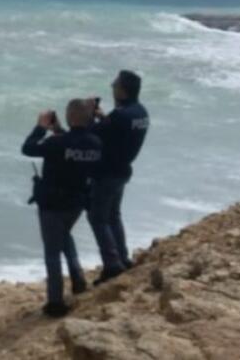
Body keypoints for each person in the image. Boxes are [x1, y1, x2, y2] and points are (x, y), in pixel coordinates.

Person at [22, 99, 102, 318]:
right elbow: (73, 143)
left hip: (52, 204)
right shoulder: (95, 142)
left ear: (69, 117)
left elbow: (28, 148)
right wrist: (57, 130)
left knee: (52, 252)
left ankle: (55, 302)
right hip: (76, 204)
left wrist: (40, 127)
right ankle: (78, 281)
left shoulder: (56, 144)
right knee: (64, 236)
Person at [87, 70, 150, 283]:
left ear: (122, 90)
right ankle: (122, 258)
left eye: (115, 84)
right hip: (123, 170)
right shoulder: (140, 112)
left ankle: (112, 265)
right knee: (113, 216)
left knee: (98, 218)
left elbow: (91, 135)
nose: (112, 86)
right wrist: (104, 117)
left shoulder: (120, 115)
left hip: (107, 172)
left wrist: (87, 117)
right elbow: (114, 129)